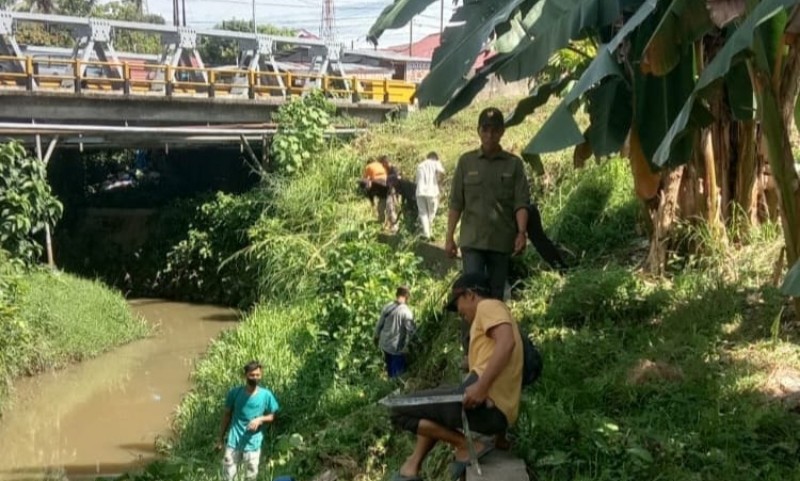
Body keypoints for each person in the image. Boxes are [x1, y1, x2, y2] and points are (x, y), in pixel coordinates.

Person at [388, 272, 523, 481]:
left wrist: (481, 387)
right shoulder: (488, 320)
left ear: (470, 295)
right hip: (497, 411)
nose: (459, 312)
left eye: (457, 303)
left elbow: (506, 344)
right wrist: (501, 438)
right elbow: (501, 362)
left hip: (487, 405)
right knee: (430, 401)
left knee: (397, 409)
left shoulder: (489, 306)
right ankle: (411, 468)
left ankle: (465, 446)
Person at [445, 107, 529, 300]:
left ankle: (492, 330)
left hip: (501, 242)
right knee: (472, 293)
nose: (490, 135)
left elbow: (521, 202)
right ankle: (471, 331)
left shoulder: (513, 164)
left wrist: (521, 233)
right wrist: (449, 236)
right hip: (472, 241)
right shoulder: (466, 162)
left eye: (495, 130)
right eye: (486, 129)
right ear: (479, 131)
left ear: (502, 132)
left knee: (495, 295)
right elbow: (456, 202)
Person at [217, 361, 280, 481]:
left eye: (258, 375)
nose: (255, 378)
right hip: (233, 442)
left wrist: (260, 419)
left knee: (250, 477)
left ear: (261, 375)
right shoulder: (234, 393)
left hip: (253, 443)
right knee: (228, 476)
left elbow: (273, 415)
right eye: (252, 375)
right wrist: (220, 438)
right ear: (245, 375)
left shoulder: (266, 395)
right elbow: (226, 416)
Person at [374, 286, 416, 378]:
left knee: (389, 369)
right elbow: (412, 332)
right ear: (407, 296)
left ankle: (390, 385)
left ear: (397, 294)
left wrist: (376, 338)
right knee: (397, 375)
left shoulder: (387, 307)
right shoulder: (406, 312)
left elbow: (379, 325)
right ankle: (395, 389)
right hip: (396, 348)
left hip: (385, 345)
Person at [415, 152, 446, 240]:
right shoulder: (435, 163)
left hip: (420, 192)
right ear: (435, 158)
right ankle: (431, 231)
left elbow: (417, 180)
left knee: (423, 213)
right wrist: (439, 181)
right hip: (432, 191)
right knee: (431, 213)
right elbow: (442, 172)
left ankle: (426, 233)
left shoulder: (420, 165)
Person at [359, 156, 389, 223]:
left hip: (378, 182)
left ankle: (382, 220)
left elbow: (365, 179)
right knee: (384, 200)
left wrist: (372, 202)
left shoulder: (368, 166)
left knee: (381, 204)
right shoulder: (380, 164)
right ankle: (386, 220)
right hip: (387, 182)